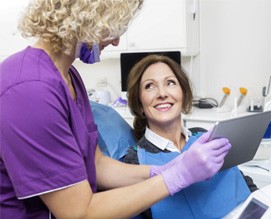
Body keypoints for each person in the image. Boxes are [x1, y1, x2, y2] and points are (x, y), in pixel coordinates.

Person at [0, 0, 232, 218]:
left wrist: (165, 168)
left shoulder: (69, 77)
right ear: (87, 17)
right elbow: (78, 213)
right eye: (113, 26)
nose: (116, 41)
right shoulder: (29, 90)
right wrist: (177, 176)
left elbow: (97, 164)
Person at [124, 54, 256, 218]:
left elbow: (243, 183)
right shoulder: (133, 162)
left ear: (184, 94)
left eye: (170, 83)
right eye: (150, 86)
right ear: (140, 104)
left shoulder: (205, 136)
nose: (162, 93)